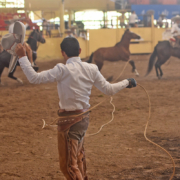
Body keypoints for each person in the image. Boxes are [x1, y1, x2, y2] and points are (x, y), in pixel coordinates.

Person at [15, 37, 137, 180]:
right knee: (78, 158)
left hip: (69, 122)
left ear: (63, 53)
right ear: (79, 51)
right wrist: (127, 82)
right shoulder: (91, 68)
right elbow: (109, 89)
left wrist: (22, 57)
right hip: (83, 120)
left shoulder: (61, 70)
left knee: (69, 166)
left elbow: (34, 78)